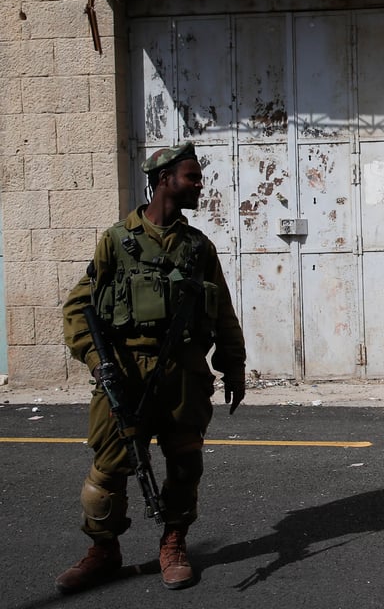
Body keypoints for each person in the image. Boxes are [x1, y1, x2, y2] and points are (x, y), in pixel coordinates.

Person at [55, 142, 247, 593]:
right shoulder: (116, 242)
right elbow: (78, 308)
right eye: (192, 176)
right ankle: (103, 551)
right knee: (108, 472)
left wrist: (233, 366)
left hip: (182, 373)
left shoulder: (199, 248)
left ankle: (174, 543)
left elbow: (223, 314)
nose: (200, 185)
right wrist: (98, 362)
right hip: (123, 370)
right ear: (164, 180)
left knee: (184, 464)